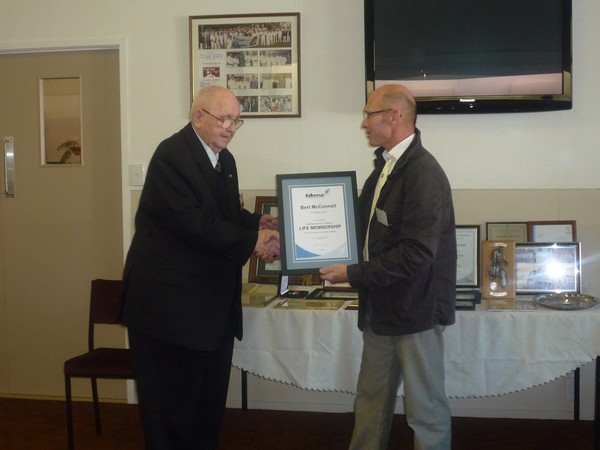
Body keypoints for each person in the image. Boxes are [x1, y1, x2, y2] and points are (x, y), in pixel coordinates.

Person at [121, 85, 279, 449]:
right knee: (172, 411)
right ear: (197, 117)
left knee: (206, 406)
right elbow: (195, 225)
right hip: (169, 312)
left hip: (207, 310)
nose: (230, 127)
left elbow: (223, 216)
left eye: (236, 121)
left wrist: (257, 224)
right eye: (224, 119)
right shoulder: (172, 155)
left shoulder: (224, 160)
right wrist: (253, 242)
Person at [319, 84, 456, 450]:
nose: (363, 124)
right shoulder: (384, 168)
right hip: (381, 309)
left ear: (394, 116)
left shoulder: (423, 173)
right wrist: (299, 230)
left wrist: (352, 274)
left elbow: (416, 254)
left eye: (369, 115)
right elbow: (354, 226)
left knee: (425, 411)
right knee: (370, 402)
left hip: (415, 313)